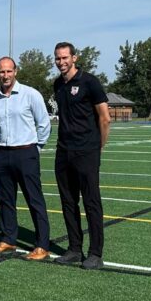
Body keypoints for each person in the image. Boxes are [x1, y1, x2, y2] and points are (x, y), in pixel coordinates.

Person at [0, 56, 52, 261]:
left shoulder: (30, 94)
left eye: (8, 71)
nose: (5, 75)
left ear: (16, 71)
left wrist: (36, 147)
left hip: (26, 152)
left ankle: (42, 244)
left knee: (34, 199)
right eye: (1, 72)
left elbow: (43, 123)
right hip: (3, 153)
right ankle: (8, 238)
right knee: (5, 200)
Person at [52, 42, 111, 270]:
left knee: (91, 202)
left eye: (65, 57)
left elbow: (104, 118)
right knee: (68, 202)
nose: (61, 62)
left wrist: (99, 146)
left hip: (86, 151)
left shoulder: (90, 82)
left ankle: (95, 253)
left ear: (74, 58)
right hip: (63, 151)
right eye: (58, 58)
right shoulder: (58, 84)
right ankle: (75, 248)